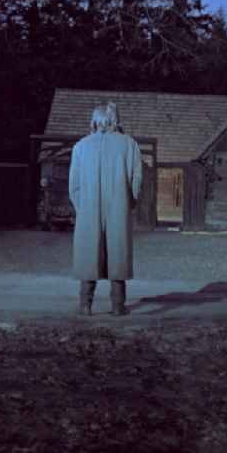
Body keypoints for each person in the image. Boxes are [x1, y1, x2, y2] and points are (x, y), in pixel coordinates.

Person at [69, 103, 143, 316]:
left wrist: (82, 208)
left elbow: (73, 185)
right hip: (118, 205)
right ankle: (118, 306)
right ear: (115, 120)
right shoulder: (129, 145)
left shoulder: (81, 146)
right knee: (118, 251)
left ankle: (85, 305)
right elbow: (137, 179)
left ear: (95, 120)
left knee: (88, 252)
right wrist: (129, 203)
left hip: (88, 208)